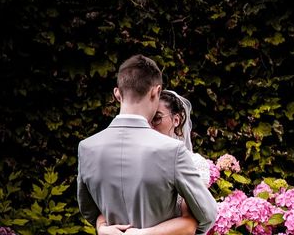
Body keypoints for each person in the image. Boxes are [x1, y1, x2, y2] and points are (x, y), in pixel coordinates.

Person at [77, 55, 217, 235]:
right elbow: (207, 215)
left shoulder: (86, 147)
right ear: (155, 92)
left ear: (117, 94)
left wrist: (102, 227)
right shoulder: (172, 150)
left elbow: (89, 210)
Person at [96, 89, 212, 235]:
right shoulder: (129, 158)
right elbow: (110, 204)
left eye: (156, 118)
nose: (149, 126)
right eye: (146, 120)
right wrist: (102, 226)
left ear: (176, 120)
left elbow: (190, 224)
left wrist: (142, 234)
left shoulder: (193, 163)